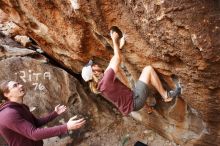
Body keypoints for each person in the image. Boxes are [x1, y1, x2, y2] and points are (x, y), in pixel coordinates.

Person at [81, 26, 181, 116]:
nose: (95, 64)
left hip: (130, 105)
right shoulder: (106, 80)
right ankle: (166, 96)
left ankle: (148, 108)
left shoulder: (100, 85)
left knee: (132, 88)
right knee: (148, 70)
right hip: (135, 101)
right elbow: (117, 59)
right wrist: (114, 40)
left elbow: (112, 63)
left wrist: (118, 47)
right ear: (94, 73)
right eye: (93, 66)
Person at [0, 80, 86, 146]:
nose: (21, 85)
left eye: (19, 83)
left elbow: (35, 123)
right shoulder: (9, 114)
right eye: (15, 86)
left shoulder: (22, 107)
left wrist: (54, 114)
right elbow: (34, 134)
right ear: (6, 94)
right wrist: (66, 126)